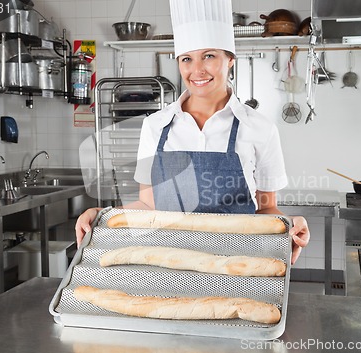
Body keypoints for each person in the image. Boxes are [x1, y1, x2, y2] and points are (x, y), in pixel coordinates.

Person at [75, 0, 309, 264]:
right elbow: (148, 205)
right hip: (167, 262)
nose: (197, 70)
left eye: (209, 56)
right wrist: (101, 215)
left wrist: (288, 224)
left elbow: (266, 208)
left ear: (230, 60)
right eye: (187, 58)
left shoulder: (260, 128)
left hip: (238, 263)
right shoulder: (155, 126)